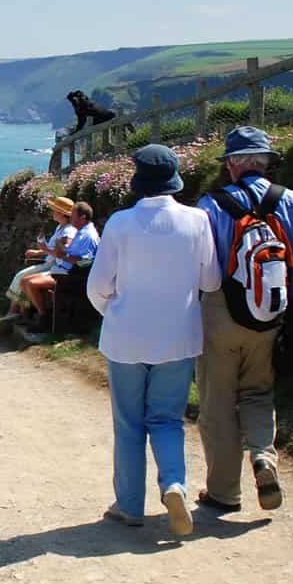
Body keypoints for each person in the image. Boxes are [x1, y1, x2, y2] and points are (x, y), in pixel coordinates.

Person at [85, 145, 220, 536]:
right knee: (166, 419)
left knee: (129, 424)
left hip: (125, 338)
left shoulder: (120, 223)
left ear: (138, 181)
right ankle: (173, 485)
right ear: (174, 180)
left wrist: (113, 314)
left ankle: (129, 505)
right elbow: (210, 281)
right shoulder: (197, 221)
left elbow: (98, 286)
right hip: (178, 338)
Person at [195, 126, 293, 513]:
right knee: (257, 391)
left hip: (219, 311)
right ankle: (263, 458)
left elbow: (200, 267)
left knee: (217, 401)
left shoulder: (211, 205)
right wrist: (283, 298)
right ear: (266, 162)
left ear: (232, 164)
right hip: (270, 311)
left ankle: (223, 492)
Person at [20, 201, 99, 320]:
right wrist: (60, 249)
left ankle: (43, 317)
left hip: (70, 276)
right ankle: (30, 314)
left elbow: (84, 262)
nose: (70, 218)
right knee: (24, 281)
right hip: (62, 271)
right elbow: (68, 253)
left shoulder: (87, 236)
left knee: (30, 283)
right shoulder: (81, 232)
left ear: (82, 218)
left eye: (72, 216)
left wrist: (61, 255)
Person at [7, 196, 77, 313]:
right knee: (21, 276)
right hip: (50, 262)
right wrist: (38, 251)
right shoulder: (61, 227)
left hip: (54, 265)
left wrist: (43, 249)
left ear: (61, 213)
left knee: (21, 277)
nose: (52, 212)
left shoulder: (68, 231)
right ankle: (18, 310)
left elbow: (61, 252)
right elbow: (53, 249)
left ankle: (16, 311)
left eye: (55, 210)